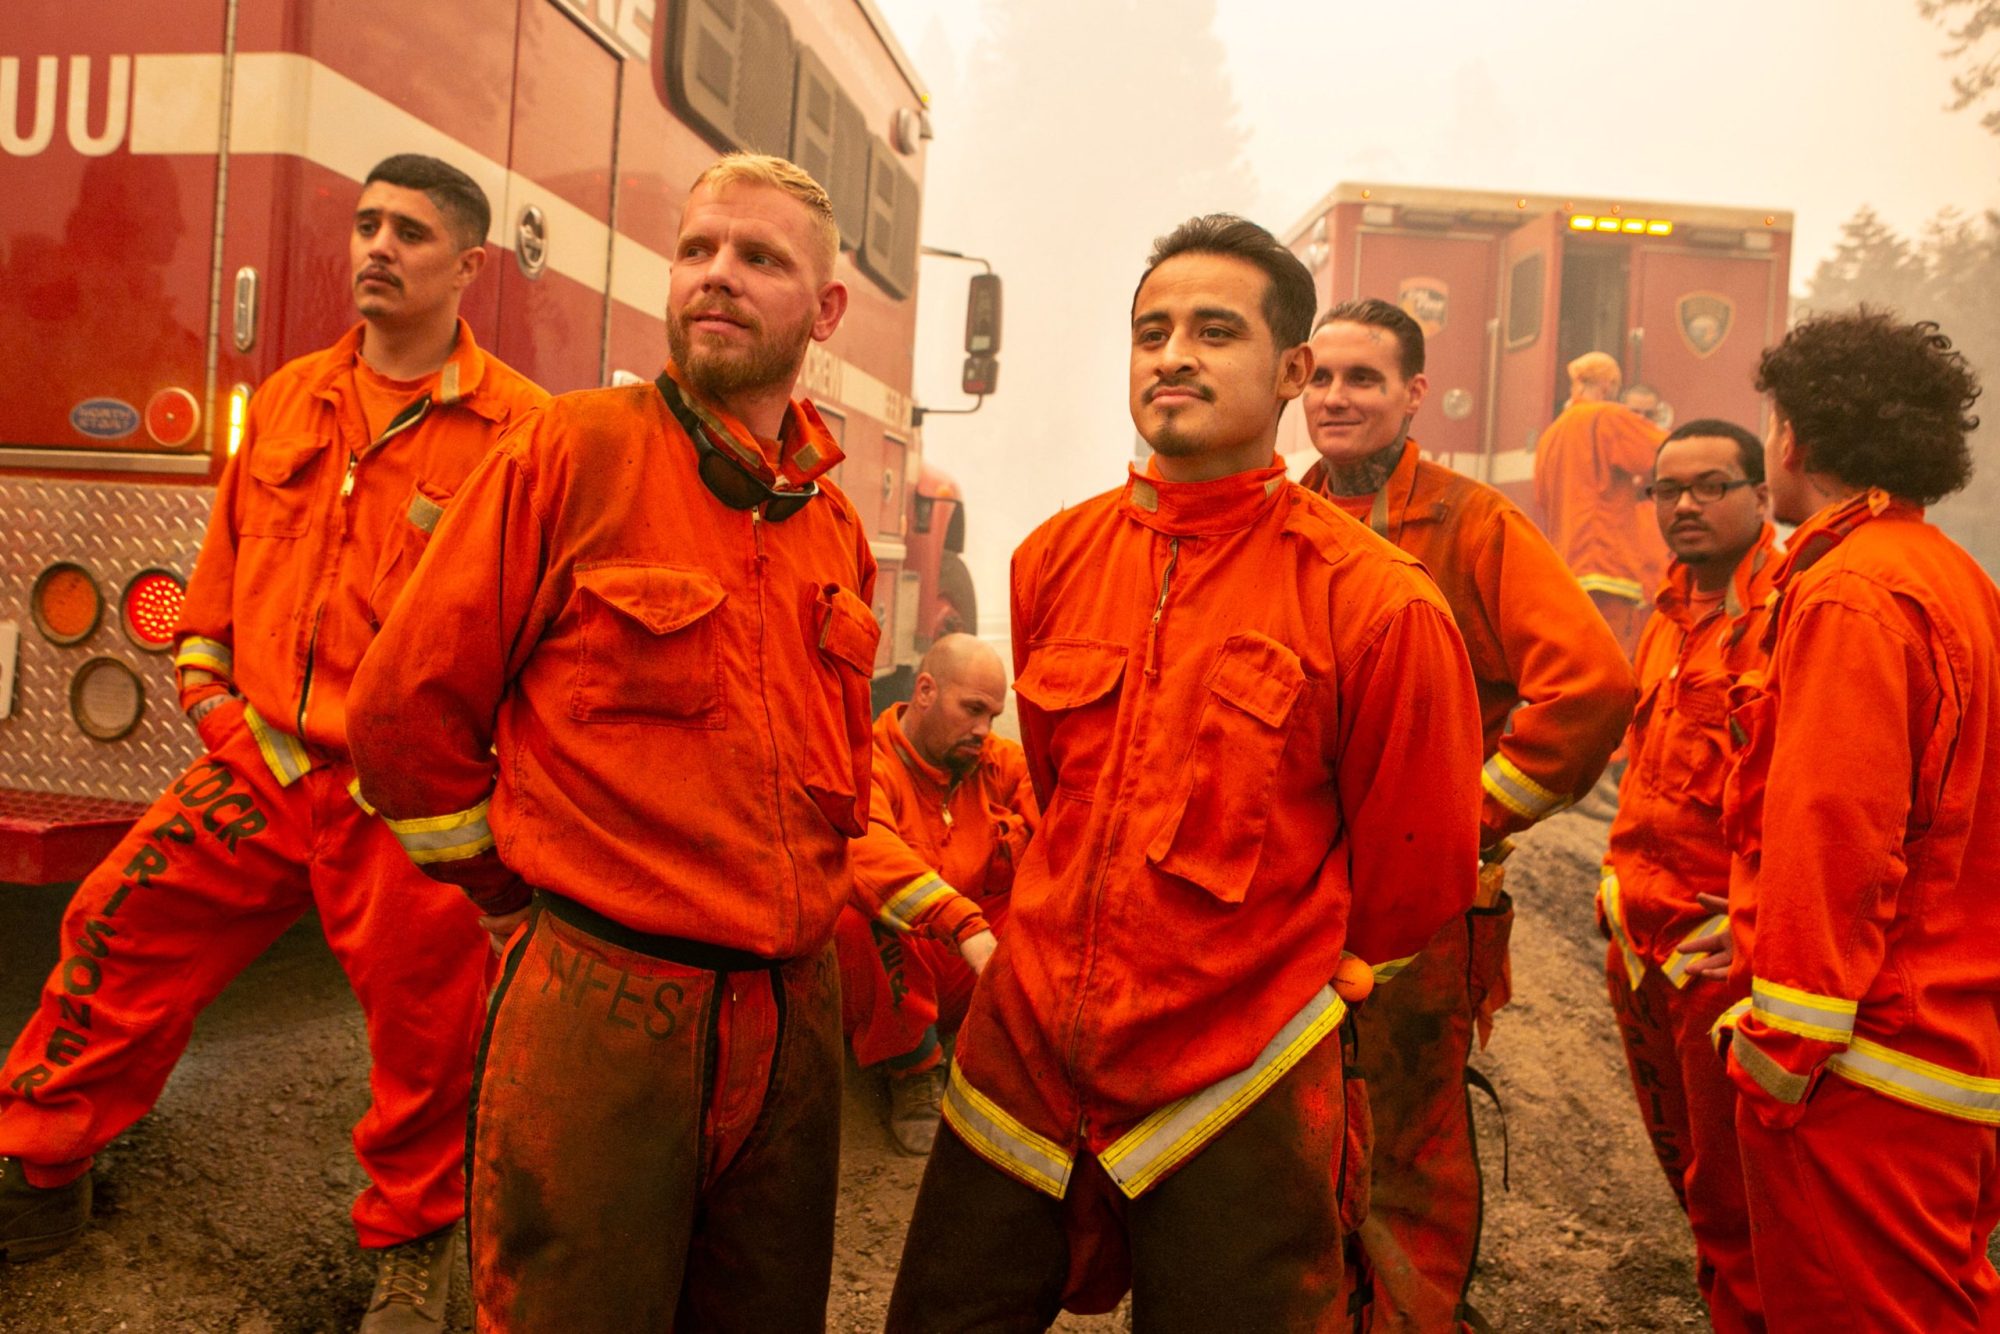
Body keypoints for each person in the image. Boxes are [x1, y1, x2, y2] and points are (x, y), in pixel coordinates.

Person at [884, 215, 1484, 1332]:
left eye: (1215, 330)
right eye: (1150, 330)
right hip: (1018, 1059)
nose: (1173, 354)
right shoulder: (1053, 557)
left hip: (1238, 1079)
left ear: (1291, 370)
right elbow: (1062, 797)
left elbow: (1416, 871)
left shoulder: (1376, 600)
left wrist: (1299, 989)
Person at [0, 155, 544, 1331]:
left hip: (411, 800)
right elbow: (222, 576)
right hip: (263, 764)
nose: (376, 247)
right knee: (114, 923)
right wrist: (211, 700)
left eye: (408, 230)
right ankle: (42, 1168)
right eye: (364, 225)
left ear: (470, 265)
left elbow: (540, 632)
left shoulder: (524, 433)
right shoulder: (293, 395)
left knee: (429, 1030)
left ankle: (413, 1248)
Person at [345, 153, 873, 1332]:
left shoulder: (828, 520)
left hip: (791, 1020)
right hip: (601, 1002)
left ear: (824, 311)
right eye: (697, 251)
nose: (717, 278)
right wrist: (508, 889)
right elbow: (400, 717)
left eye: (759, 258)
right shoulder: (572, 451)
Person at [1299, 299, 1634, 1331]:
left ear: (1411, 395)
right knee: (1280, 1129)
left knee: (1403, 1132)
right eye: (1319, 377)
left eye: (1363, 379)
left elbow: (1587, 684)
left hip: (1414, 909)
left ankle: (1406, 1316)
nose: (1335, 398)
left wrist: (1466, 820)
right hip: (1275, 893)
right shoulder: (1275, 515)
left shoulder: (1469, 522)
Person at [1716, 310, 2000, 1330]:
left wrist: (1782, 1040)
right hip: (1946, 1044)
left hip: (1866, 1065)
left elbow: (1831, 822)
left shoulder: (1849, 590)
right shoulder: (1948, 574)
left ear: (1791, 437)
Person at [1599, 419, 1777, 1333]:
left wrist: (1759, 919)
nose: (1685, 506)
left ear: (1763, 493)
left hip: (1720, 964)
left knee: (1742, 1203)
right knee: (1694, 1190)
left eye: (1712, 486)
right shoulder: (1664, 619)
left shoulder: (1784, 620)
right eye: (1668, 490)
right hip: (1642, 945)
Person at [837, 633, 1037, 1155]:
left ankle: (998, 1057)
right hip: (901, 971)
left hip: (968, 971)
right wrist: (964, 924)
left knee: (1044, 898)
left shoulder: (997, 762)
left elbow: (1061, 817)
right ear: (925, 690)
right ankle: (915, 1067)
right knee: (853, 912)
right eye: (972, 710)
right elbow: (867, 850)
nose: (983, 730)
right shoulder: (868, 764)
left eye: (992, 716)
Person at [1533, 351, 1670, 660]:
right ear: (1609, 386)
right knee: (1615, 671)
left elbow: (1544, 499)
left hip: (1567, 574)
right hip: (1608, 569)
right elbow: (1668, 454)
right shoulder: (1607, 417)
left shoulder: (1550, 436)